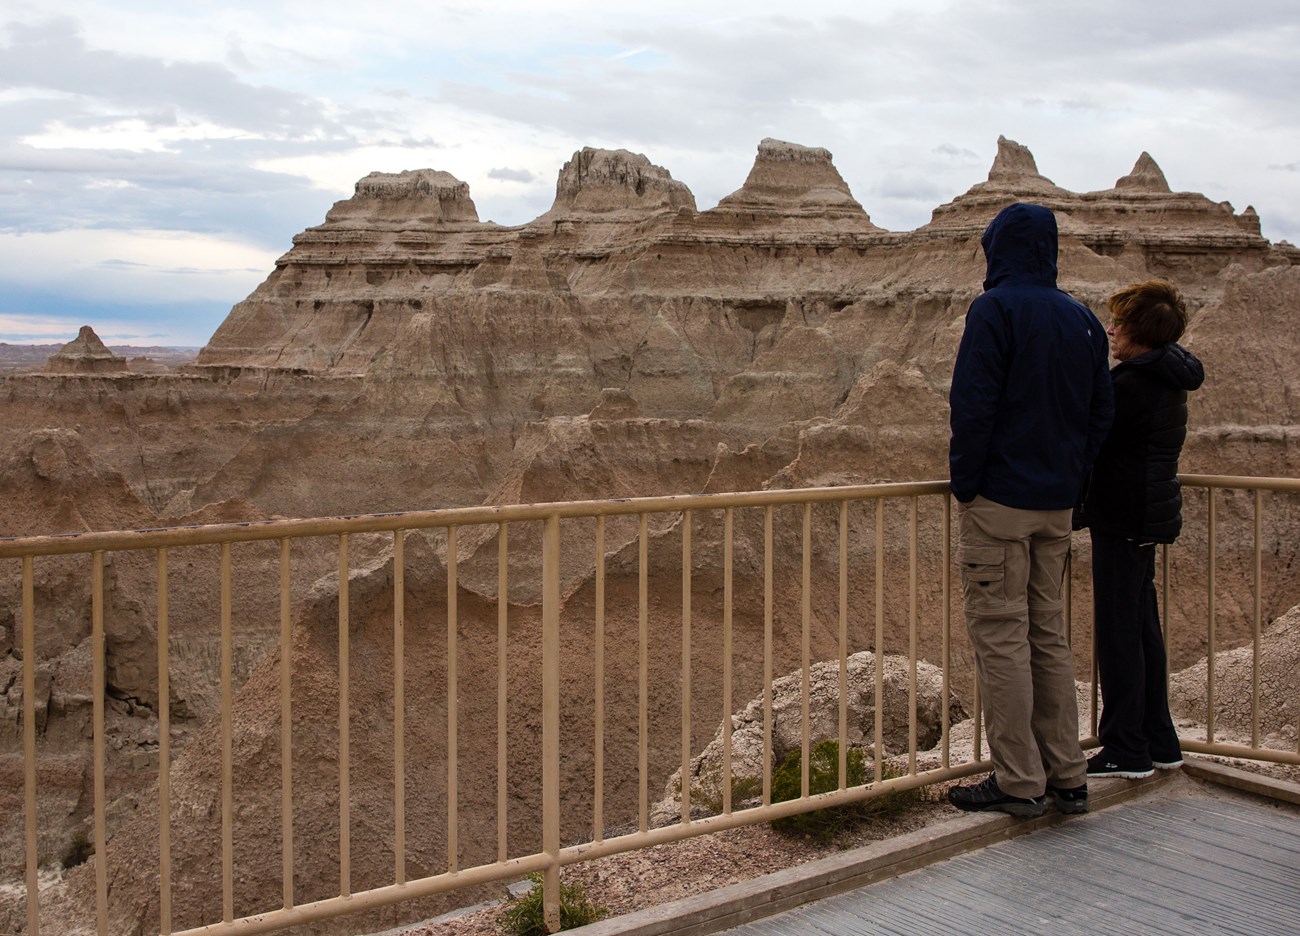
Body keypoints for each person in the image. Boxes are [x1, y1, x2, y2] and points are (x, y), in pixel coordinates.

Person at [947, 202, 1114, 818]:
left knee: (1000, 638)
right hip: (1056, 506)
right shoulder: (1084, 319)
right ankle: (1067, 775)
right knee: (1049, 636)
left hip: (1000, 503)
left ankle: (1019, 781)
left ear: (1000, 248)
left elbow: (974, 405)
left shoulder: (995, 310)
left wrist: (968, 484)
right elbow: (1102, 414)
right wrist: (1070, 476)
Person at [1079, 280, 1204, 778]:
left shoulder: (1131, 383)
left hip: (1124, 516)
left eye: (1120, 324)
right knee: (1143, 628)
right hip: (1148, 516)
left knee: (1119, 634)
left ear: (1141, 333)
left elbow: (1094, 437)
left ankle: (1125, 748)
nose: (1111, 329)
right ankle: (1160, 739)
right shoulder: (1170, 376)